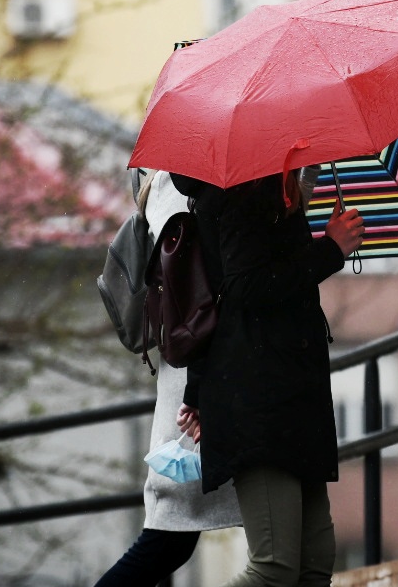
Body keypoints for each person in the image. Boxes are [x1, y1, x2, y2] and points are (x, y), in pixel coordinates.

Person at [173, 168, 365, 587]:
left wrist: (198, 389)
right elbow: (244, 287)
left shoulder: (272, 185)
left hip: (291, 391)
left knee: (313, 565)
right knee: (275, 568)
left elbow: (218, 294)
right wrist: (331, 250)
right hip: (260, 396)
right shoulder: (247, 186)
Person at [93, 169, 242, 587]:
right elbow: (205, 287)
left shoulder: (178, 186)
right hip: (200, 383)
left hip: (206, 376)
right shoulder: (177, 189)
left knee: (175, 537)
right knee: (169, 537)